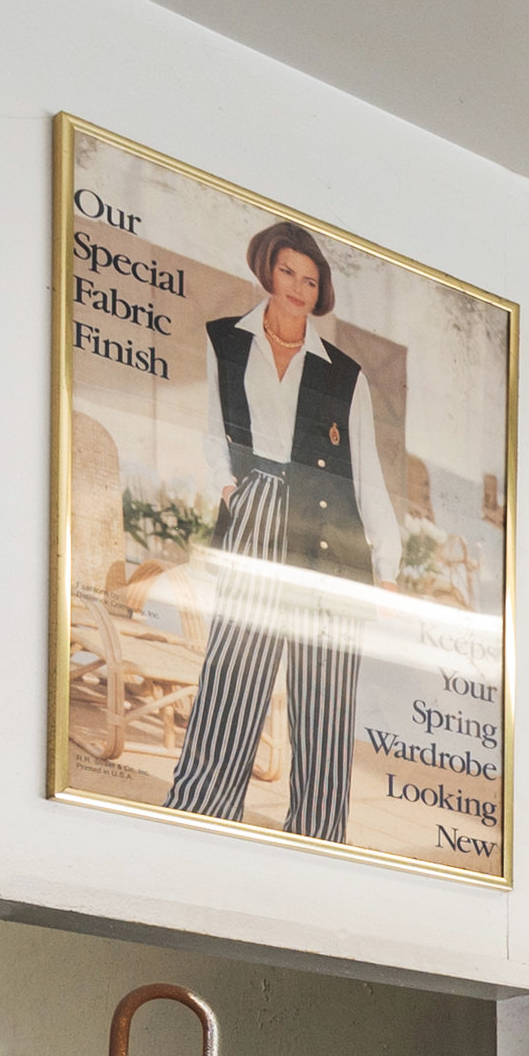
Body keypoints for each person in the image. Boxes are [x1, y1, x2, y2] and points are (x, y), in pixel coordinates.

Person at [167, 219, 408, 844]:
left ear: (320, 289)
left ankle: (318, 835)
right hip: (258, 509)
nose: (299, 288)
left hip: (332, 538)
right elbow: (210, 428)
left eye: (311, 279)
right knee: (235, 669)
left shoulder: (345, 375)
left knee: (324, 689)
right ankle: (201, 808)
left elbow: (368, 474)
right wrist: (230, 489)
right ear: (267, 272)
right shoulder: (225, 341)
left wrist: (385, 569)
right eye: (288, 273)